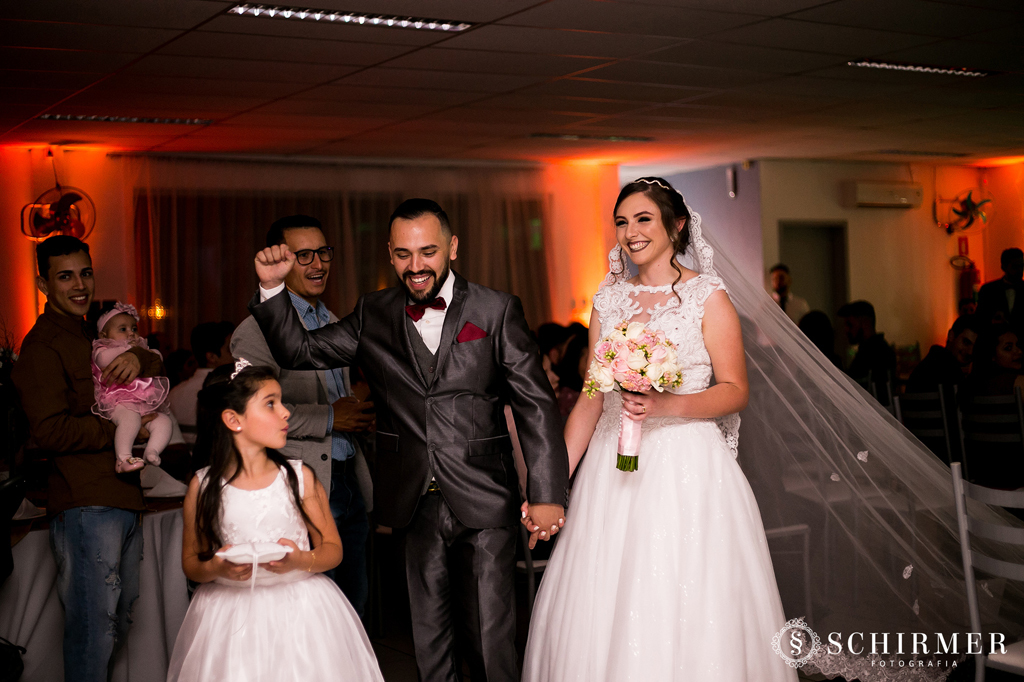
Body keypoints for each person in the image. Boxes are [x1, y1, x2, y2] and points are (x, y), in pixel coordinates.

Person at [249, 198, 569, 682]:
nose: (415, 266)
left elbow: (535, 405)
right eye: (403, 254)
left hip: (484, 495)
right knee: (428, 640)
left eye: (427, 252)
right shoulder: (373, 311)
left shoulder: (496, 309)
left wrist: (546, 494)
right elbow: (299, 350)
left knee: (489, 639)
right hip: (411, 500)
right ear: (390, 254)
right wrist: (272, 288)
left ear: (452, 248)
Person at [521, 178, 795, 681]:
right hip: (613, 469)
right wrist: (549, 483)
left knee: (680, 586)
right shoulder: (608, 299)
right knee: (609, 590)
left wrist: (667, 403)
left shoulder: (707, 297)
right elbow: (590, 396)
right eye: (621, 222)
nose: (630, 232)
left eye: (643, 219)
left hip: (686, 465)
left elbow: (735, 389)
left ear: (677, 225)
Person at [165, 362, 384, 681]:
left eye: (281, 401)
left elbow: (333, 549)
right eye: (271, 403)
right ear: (233, 420)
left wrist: (301, 559)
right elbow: (191, 562)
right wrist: (216, 567)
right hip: (230, 617)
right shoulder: (204, 486)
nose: (285, 413)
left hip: (302, 610)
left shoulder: (299, 477)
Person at [11, 236, 163, 682]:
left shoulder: (96, 330)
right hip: (85, 503)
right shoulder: (42, 347)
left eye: (86, 273)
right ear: (42, 283)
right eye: (65, 276)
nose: (79, 285)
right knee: (94, 631)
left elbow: (153, 364)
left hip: (123, 495)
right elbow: (51, 431)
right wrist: (122, 424)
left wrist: (138, 356)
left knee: (120, 622)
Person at [231, 214, 375, 618]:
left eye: (323, 252)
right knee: (310, 614)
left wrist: (358, 415)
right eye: (304, 255)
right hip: (300, 483)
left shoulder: (332, 322)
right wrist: (330, 417)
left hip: (347, 477)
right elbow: (253, 412)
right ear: (281, 261)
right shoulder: (257, 329)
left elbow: (340, 399)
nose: (318, 264)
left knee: (352, 610)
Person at [92, 302, 173, 472]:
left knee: (164, 421)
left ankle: (152, 451)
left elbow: (157, 356)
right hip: (116, 401)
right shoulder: (103, 348)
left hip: (140, 401)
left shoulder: (139, 347)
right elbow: (103, 360)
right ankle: (123, 459)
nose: (131, 333)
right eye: (122, 329)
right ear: (104, 334)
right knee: (130, 420)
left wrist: (141, 352)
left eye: (134, 329)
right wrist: (133, 350)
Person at [169, 321, 234, 444]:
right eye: (230, 349)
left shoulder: (175, 393)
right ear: (212, 357)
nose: (236, 355)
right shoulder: (228, 391)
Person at [837, 300, 896, 402]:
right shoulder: (879, 348)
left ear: (865, 323)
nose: (846, 330)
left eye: (850, 324)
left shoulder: (872, 353)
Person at [906, 314, 981, 393]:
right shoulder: (950, 372)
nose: (970, 351)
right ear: (951, 336)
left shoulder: (931, 361)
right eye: (966, 342)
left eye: (975, 347)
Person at [976, 247, 1024, 327]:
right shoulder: (988, 290)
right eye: (1015, 267)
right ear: (1003, 267)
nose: (1020, 270)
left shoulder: (988, 289)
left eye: (1022, 266)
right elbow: (979, 320)